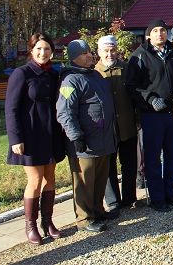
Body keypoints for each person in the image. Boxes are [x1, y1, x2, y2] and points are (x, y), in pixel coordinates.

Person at [6, 33, 66, 244]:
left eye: (47, 49)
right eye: (39, 49)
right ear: (31, 50)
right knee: (35, 179)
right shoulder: (21, 74)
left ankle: (47, 222)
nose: (43, 53)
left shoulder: (53, 75)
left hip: (51, 135)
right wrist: (15, 139)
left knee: (50, 178)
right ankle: (30, 226)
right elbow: (11, 108)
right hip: (30, 136)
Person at [126, 19, 173, 212]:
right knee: (153, 158)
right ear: (148, 35)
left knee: (172, 156)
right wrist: (150, 99)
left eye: (162, 30)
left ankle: (170, 192)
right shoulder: (140, 55)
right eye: (155, 31)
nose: (160, 34)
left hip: (172, 111)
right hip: (151, 115)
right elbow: (132, 86)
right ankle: (157, 197)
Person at [57, 40, 116, 232]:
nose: (91, 56)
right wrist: (76, 137)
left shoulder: (95, 75)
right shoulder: (70, 81)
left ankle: (98, 211)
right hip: (85, 143)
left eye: (90, 52)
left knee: (99, 180)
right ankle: (84, 219)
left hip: (103, 141)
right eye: (86, 53)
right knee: (84, 182)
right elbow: (65, 112)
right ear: (75, 57)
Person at [95, 35, 138, 220]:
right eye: (106, 50)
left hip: (127, 124)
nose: (109, 54)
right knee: (108, 167)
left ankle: (129, 198)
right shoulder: (94, 72)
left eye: (112, 50)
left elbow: (135, 94)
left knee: (129, 163)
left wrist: (138, 119)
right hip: (106, 129)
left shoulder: (127, 68)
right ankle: (113, 202)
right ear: (99, 52)